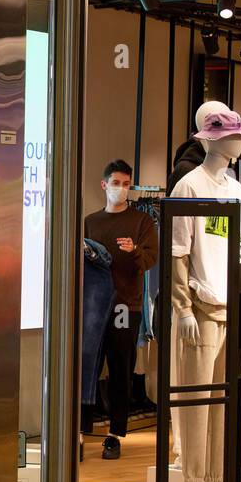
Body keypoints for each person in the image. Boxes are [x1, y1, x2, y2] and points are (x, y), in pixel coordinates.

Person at [82, 160, 159, 459]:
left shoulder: (142, 222)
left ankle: (115, 434)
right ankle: (82, 429)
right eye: (117, 183)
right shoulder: (90, 221)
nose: (122, 189)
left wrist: (134, 251)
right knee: (87, 366)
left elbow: (150, 259)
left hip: (126, 304)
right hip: (91, 305)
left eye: (127, 184)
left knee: (120, 368)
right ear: (104, 185)